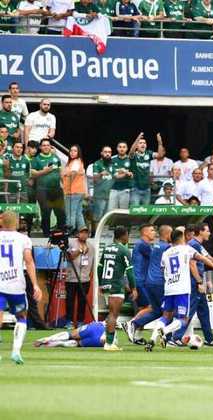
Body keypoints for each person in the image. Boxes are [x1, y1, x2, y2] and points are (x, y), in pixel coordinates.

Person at [145, 229, 201, 351]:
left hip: (169, 288)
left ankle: (151, 340)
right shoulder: (186, 249)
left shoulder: (167, 252)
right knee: (183, 319)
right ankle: (164, 331)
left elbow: (162, 269)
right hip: (182, 289)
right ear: (182, 237)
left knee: (166, 316)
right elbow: (200, 260)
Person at [0, 211, 42, 364]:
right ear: (16, 223)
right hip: (16, 285)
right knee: (21, 317)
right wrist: (36, 285)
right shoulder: (24, 239)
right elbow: (29, 262)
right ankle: (16, 351)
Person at [97, 226, 137, 351]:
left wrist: (100, 284)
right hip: (115, 286)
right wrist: (134, 288)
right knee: (114, 315)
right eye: (127, 235)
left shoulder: (107, 248)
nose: (128, 238)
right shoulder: (124, 250)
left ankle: (109, 338)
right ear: (124, 235)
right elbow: (130, 271)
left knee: (111, 314)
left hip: (106, 285)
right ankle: (109, 343)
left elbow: (100, 267)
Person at [31, 139, 65, 236]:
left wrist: (64, 185)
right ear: (40, 147)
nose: (46, 147)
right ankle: (46, 235)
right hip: (43, 190)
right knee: (46, 213)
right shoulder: (36, 159)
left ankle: (61, 234)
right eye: (44, 145)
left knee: (61, 213)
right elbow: (33, 174)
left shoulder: (55, 158)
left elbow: (60, 172)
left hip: (57, 190)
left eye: (48, 145)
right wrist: (44, 171)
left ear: (50, 147)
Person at [65, 226, 94, 328]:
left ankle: (80, 321)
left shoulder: (91, 247)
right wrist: (80, 251)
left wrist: (89, 275)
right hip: (71, 278)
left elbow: (92, 263)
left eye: (86, 233)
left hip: (85, 279)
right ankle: (69, 321)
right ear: (78, 234)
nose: (84, 235)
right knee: (70, 301)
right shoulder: (71, 243)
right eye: (82, 232)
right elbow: (69, 257)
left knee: (82, 302)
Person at [61, 145, 87, 232]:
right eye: (71, 150)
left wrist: (68, 186)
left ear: (78, 153)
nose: (72, 152)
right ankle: (82, 230)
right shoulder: (74, 162)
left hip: (73, 192)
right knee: (78, 213)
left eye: (75, 151)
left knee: (70, 213)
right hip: (79, 191)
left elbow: (73, 173)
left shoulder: (76, 162)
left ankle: (70, 231)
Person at [34, 321, 106, 348]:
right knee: (77, 343)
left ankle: (48, 339)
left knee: (71, 335)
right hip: (101, 340)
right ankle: (60, 343)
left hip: (97, 327)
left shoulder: (111, 314)